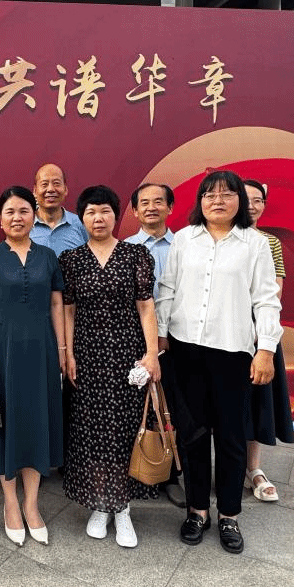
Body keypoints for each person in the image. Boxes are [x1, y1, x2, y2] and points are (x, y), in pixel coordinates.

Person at [156, 170, 282, 555]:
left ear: (240, 201)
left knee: (230, 436)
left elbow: (266, 299)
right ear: (200, 202)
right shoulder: (184, 239)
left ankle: (229, 514)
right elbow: (168, 289)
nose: (218, 201)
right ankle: (197, 511)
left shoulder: (254, 244)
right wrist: (160, 334)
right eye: (210, 195)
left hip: (232, 353)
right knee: (192, 434)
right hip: (185, 350)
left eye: (227, 194)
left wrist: (266, 349)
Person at [61, 185, 161, 548]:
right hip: (87, 357)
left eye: (104, 211)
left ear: (116, 216)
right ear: (82, 218)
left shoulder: (135, 255)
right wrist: (68, 354)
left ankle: (123, 508)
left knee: (123, 430)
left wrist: (152, 354)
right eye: (90, 212)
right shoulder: (71, 259)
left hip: (127, 356)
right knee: (91, 432)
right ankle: (100, 504)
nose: (98, 218)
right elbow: (68, 311)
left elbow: (146, 307)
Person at [0, 186, 66, 547]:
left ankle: (32, 504)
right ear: (0, 218)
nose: (17, 217)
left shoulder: (48, 256)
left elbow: (57, 304)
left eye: (24, 211)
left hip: (41, 349)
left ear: (34, 215)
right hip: (1, 350)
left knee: (35, 422)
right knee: (6, 422)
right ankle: (10, 503)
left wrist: (62, 350)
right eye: (10, 211)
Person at [124, 183, 185, 508]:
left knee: (174, 408)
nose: (151, 208)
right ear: (135, 211)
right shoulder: (125, 249)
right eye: (144, 203)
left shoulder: (185, 246)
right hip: (138, 340)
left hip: (179, 340)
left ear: (170, 207)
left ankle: (172, 474)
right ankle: (139, 469)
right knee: (140, 407)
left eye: (158, 202)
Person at [242, 180, 294, 503]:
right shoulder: (208, 238)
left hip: (259, 331)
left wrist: (264, 340)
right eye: (245, 198)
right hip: (219, 333)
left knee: (256, 400)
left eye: (258, 200)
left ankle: (254, 469)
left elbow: (274, 292)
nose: (251, 205)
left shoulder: (270, 242)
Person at [30, 163, 88, 256]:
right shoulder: (25, 225)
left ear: (65, 189)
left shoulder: (81, 224)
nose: (51, 189)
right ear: (35, 191)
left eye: (56, 183)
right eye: (44, 184)